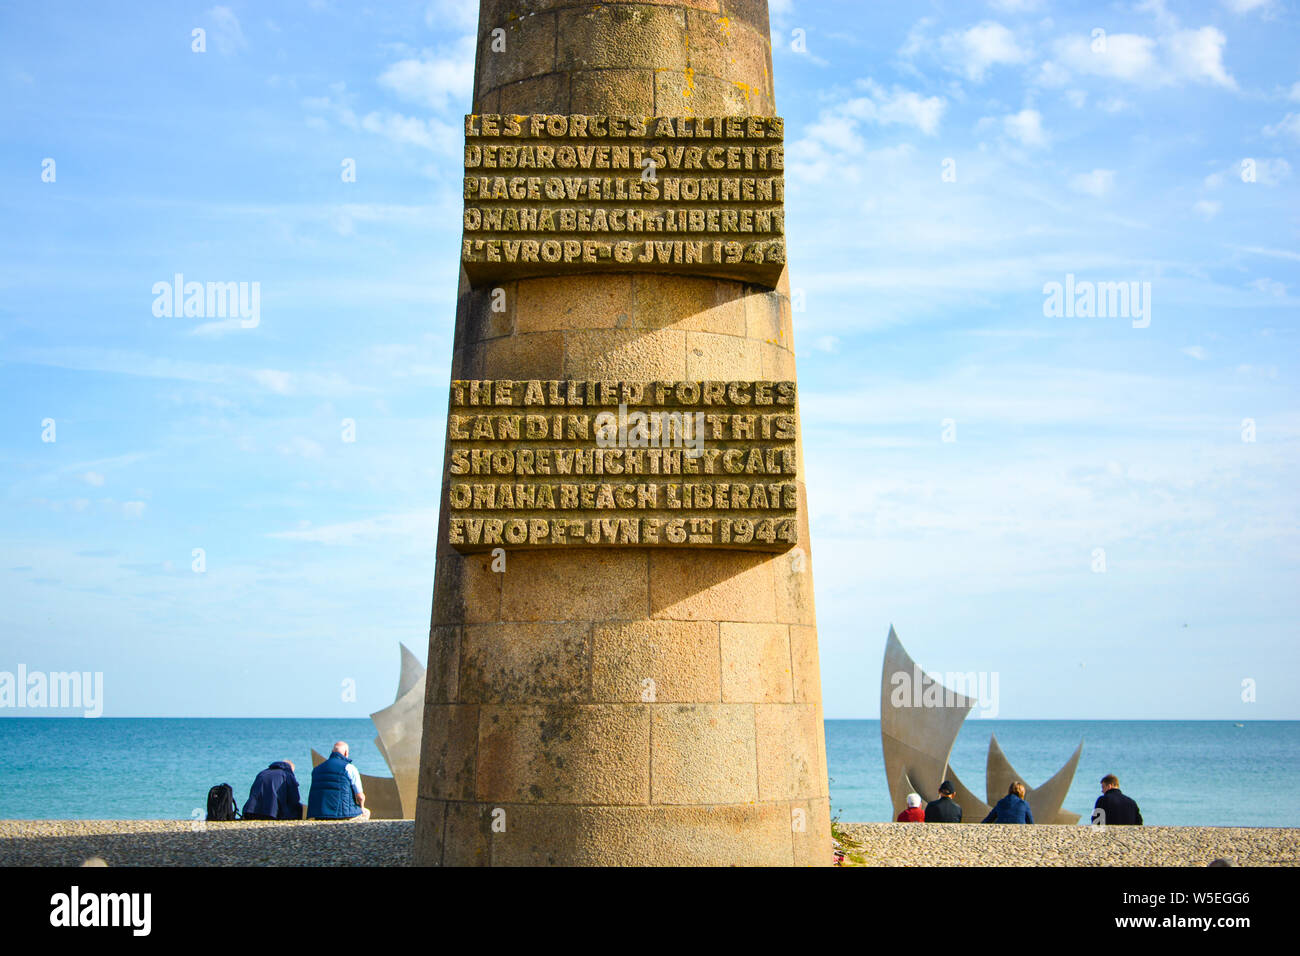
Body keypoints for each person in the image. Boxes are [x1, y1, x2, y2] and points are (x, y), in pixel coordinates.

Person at [307, 741, 371, 821]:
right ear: (346, 753)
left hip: (319, 814)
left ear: (332, 752)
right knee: (366, 812)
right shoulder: (349, 768)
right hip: (343, 814)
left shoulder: (316, 769)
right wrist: (361, 807)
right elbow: (360, 796)